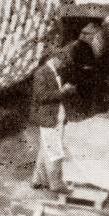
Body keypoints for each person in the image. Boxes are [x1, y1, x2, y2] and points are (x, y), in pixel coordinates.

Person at [28, 50, 75, 190]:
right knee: (54, 150)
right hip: (48, 117)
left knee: (45, 148)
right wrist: (63, 91)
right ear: (54, 58)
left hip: (55, 116)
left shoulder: (54, 72)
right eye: (62, 61)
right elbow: (42, 96)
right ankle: (56, 184)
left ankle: (38, 180)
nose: (63, 64)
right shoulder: (42, 72)